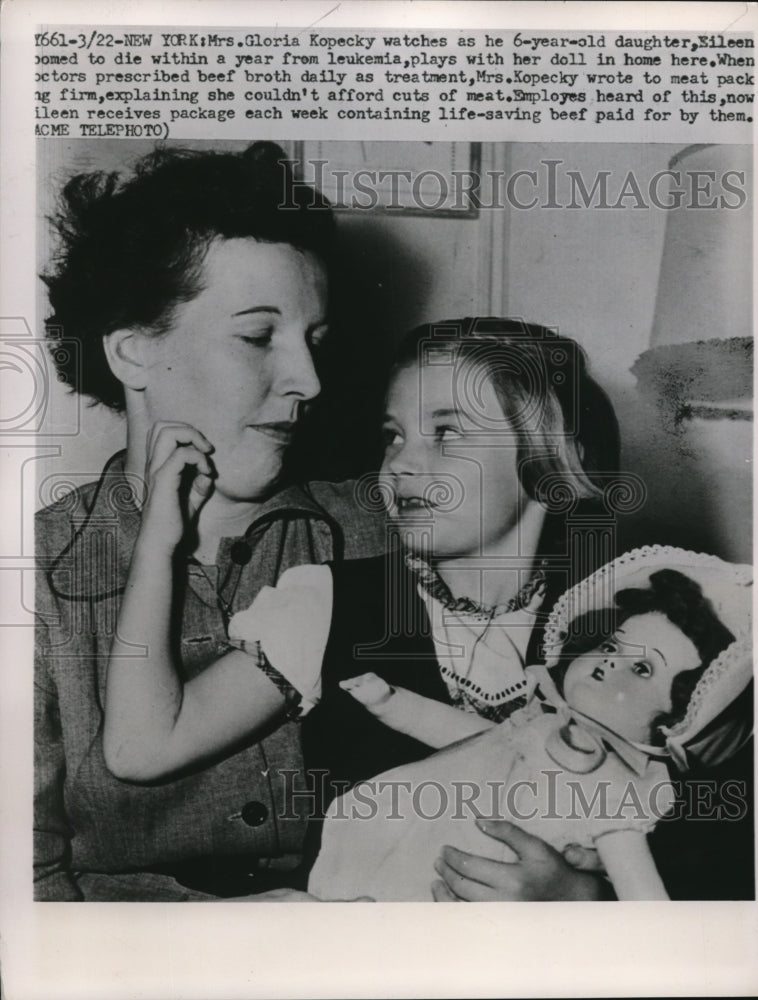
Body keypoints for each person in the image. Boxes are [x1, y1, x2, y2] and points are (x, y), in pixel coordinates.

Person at [102, 317, 623, 901]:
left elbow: (713, 872)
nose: (399, 464)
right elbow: (140, 749)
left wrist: (582, 899)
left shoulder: (629, 629)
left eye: (447, 434)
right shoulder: (328, 603)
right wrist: (157, 545)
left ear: (549, 458)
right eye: (394, 435)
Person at [34, 142, 386, 901]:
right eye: (258, 336)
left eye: (315, 342)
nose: (309, 381)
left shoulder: (385, 526)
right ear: (133, 352)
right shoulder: (32, 576)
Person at [308, 550, 753, 901]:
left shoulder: (613, 784)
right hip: (417, 841)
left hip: (477, 886)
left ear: (674, 722)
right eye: (611, 645)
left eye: (640, 670)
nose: (608, 663)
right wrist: (393, 703)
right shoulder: (540, 724)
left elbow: (643, 894)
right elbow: (467, 737)